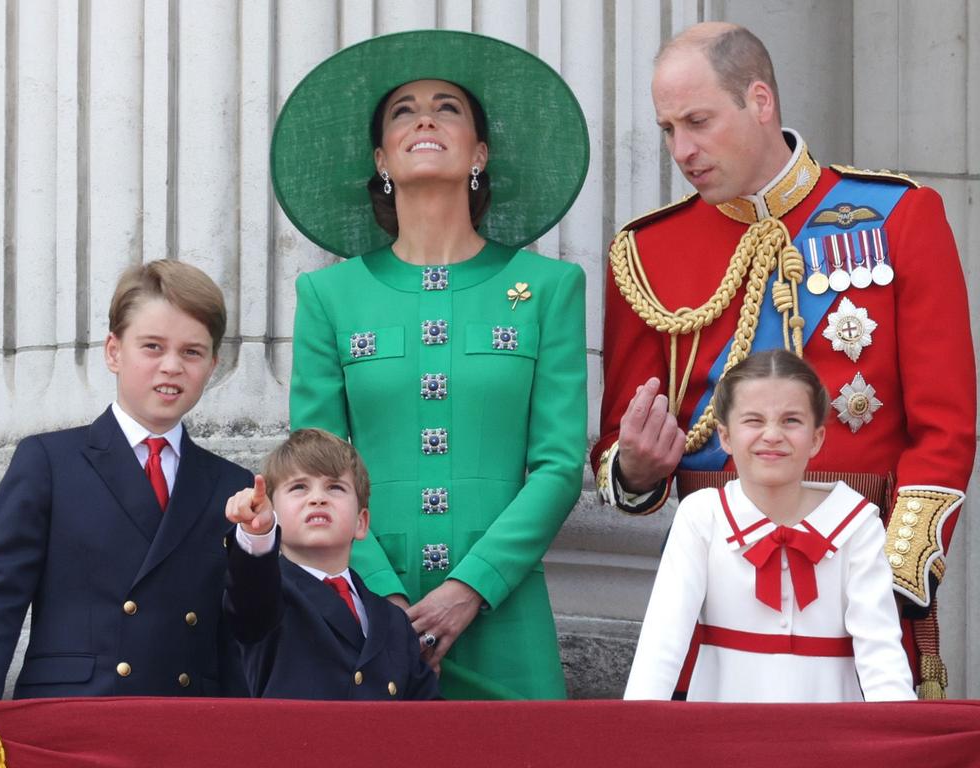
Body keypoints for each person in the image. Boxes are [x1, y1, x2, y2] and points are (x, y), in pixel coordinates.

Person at [593, 22, 975, 697]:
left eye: (699, 122)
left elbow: (945, 428)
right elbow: (620, 449)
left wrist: (894, 575)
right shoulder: (647, 253)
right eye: (668, 129)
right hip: (715, 575)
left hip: (866, 562)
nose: (682, 149)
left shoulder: (898, 217)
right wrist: (633, 467)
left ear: (760, 101)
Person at [271, 30, 590, 699]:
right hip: (365, 611)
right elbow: (315, 467)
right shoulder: (328, 296)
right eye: (402, 111)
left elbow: (559, 464)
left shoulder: (549, 288)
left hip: (505, 610)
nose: (424, 116)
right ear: (381, 158)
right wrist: (383, 598)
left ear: (479, 153)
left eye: (448, 107)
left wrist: (471, 587)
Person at [0, 260, 253, 699]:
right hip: (73, 716)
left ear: (212, 364)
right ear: (114, 351)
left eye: (191, 352)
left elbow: (239, 634)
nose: (172, 366)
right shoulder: (49, 462)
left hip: (187, 721)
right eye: (152, 346)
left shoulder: (231, 483)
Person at [624, 350, 915, 702]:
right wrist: (635, 734)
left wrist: (899, 743)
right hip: (723, 735)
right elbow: (662, 641)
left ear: (817, 438)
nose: (772, 435)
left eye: (791, 420)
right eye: (753, 420)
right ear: (725, 436)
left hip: (832, 740)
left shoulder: (857, 523)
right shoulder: (702, 516)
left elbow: (881, 654)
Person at [222, 428, 440, 700]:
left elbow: (427, 715)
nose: (317, 498)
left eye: (335, 487)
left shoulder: (393, 619)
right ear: (273, 515)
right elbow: (248, 594)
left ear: (361, 523)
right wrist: (257, 533)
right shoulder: (270, 595)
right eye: (299, 487)